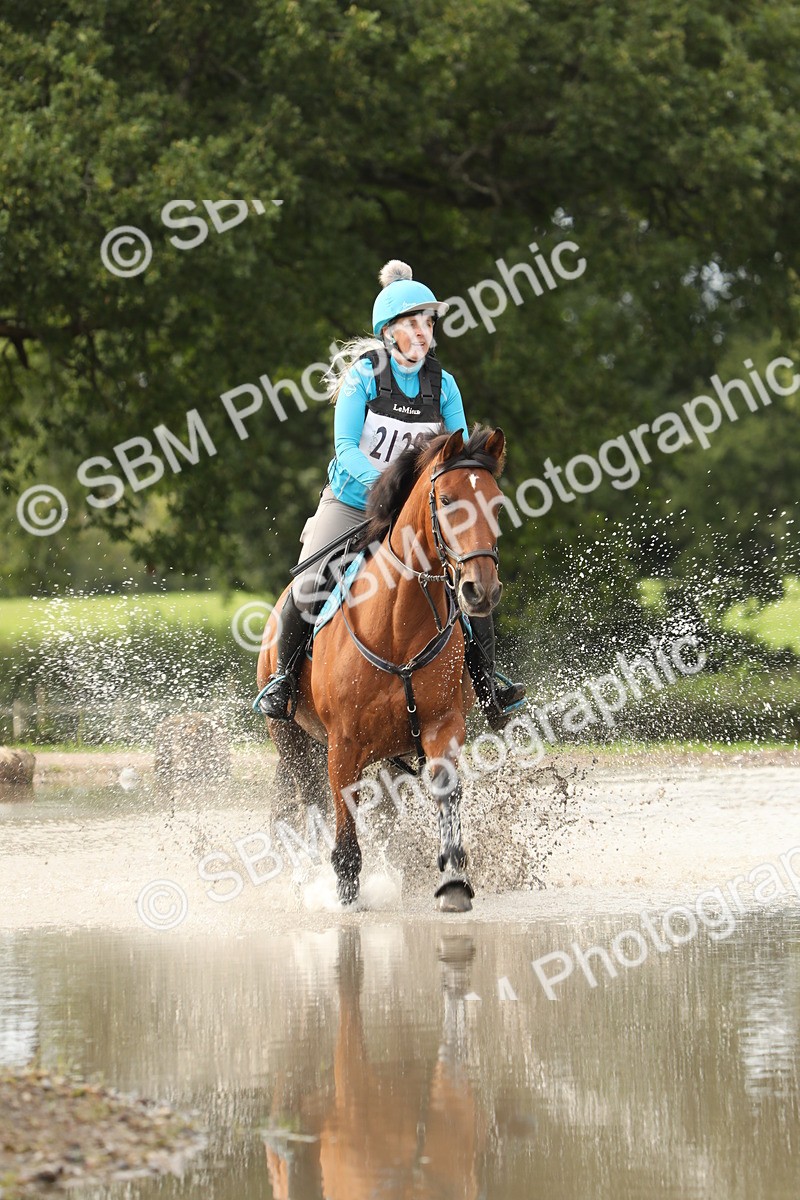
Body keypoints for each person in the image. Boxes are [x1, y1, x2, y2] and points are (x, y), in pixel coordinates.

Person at [256, 259, 525, 728]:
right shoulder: (363, 377)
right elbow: (344, 450)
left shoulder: (443, 385)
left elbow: (456, 457)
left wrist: (433, 497)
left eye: (430, 322)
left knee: (470, 582)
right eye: (414, 323)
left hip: (417, 511)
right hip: (350, 502)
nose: (424, 332)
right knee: (309, 582)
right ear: (390, 332)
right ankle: (282, 680)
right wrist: (389, 491)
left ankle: (488, 688)